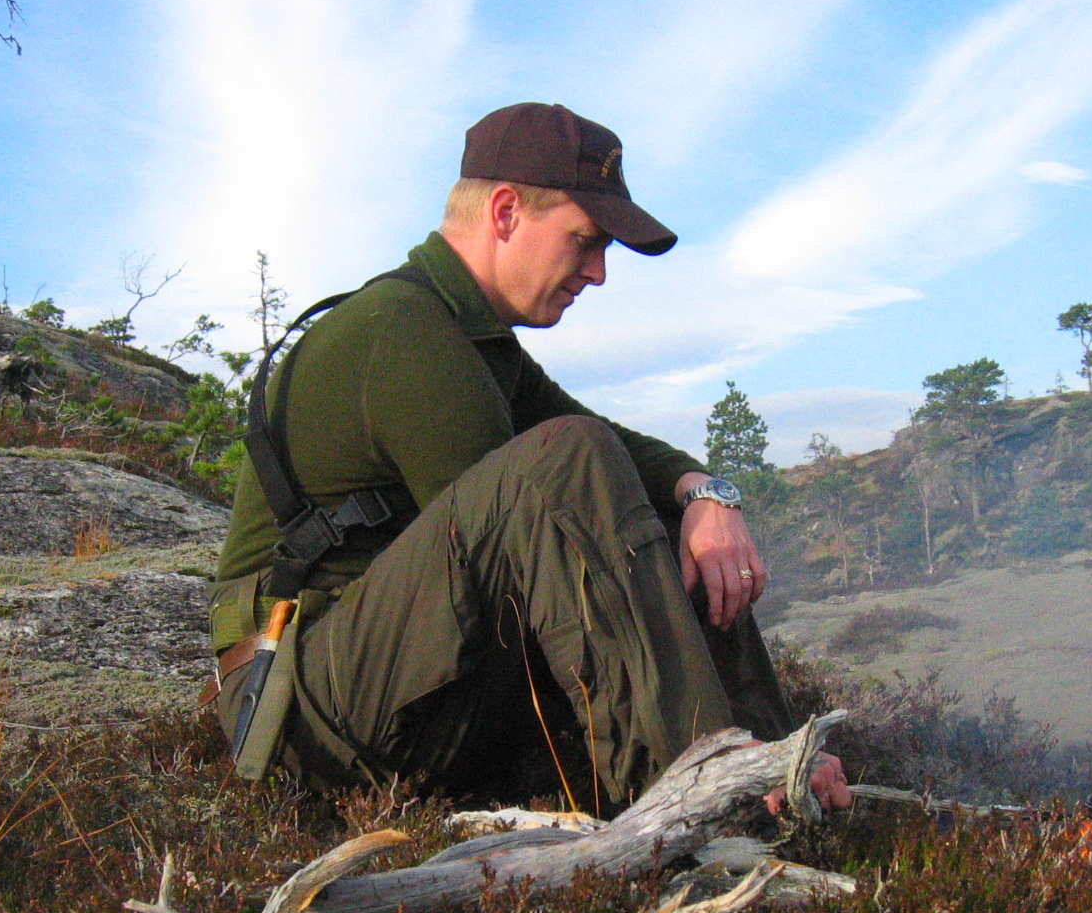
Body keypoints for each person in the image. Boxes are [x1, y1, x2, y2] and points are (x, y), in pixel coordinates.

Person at [206, 102, 848, 814]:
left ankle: (782, 768)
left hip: (397, 691)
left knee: (647, 510)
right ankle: (705, 794)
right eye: (584, 240)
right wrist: (702, 729)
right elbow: (549, 538)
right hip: (303, 715)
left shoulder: (474, 341)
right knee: (570, 468)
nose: (599, 272)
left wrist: (706, 496)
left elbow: (613, 446)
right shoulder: (403, 333)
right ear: (506, 212)